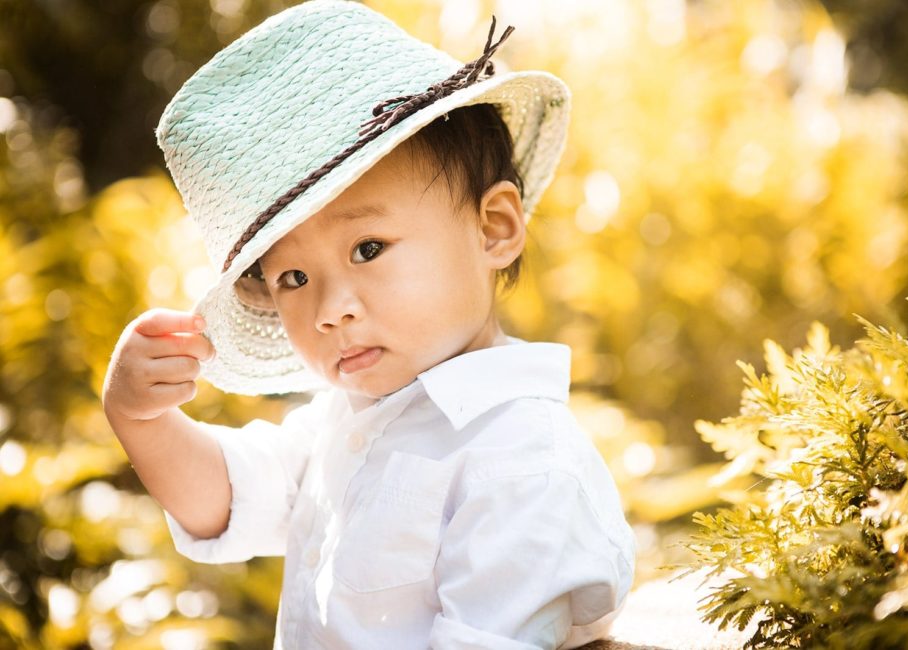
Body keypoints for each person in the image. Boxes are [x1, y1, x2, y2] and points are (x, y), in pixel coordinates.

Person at [101, 1, 636, 648]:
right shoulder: (350, 418)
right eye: (292, 279)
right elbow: (226, 496)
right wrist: (142, 419)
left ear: (492, 228)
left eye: (368, 249)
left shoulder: (518, 460)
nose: (330, 309)